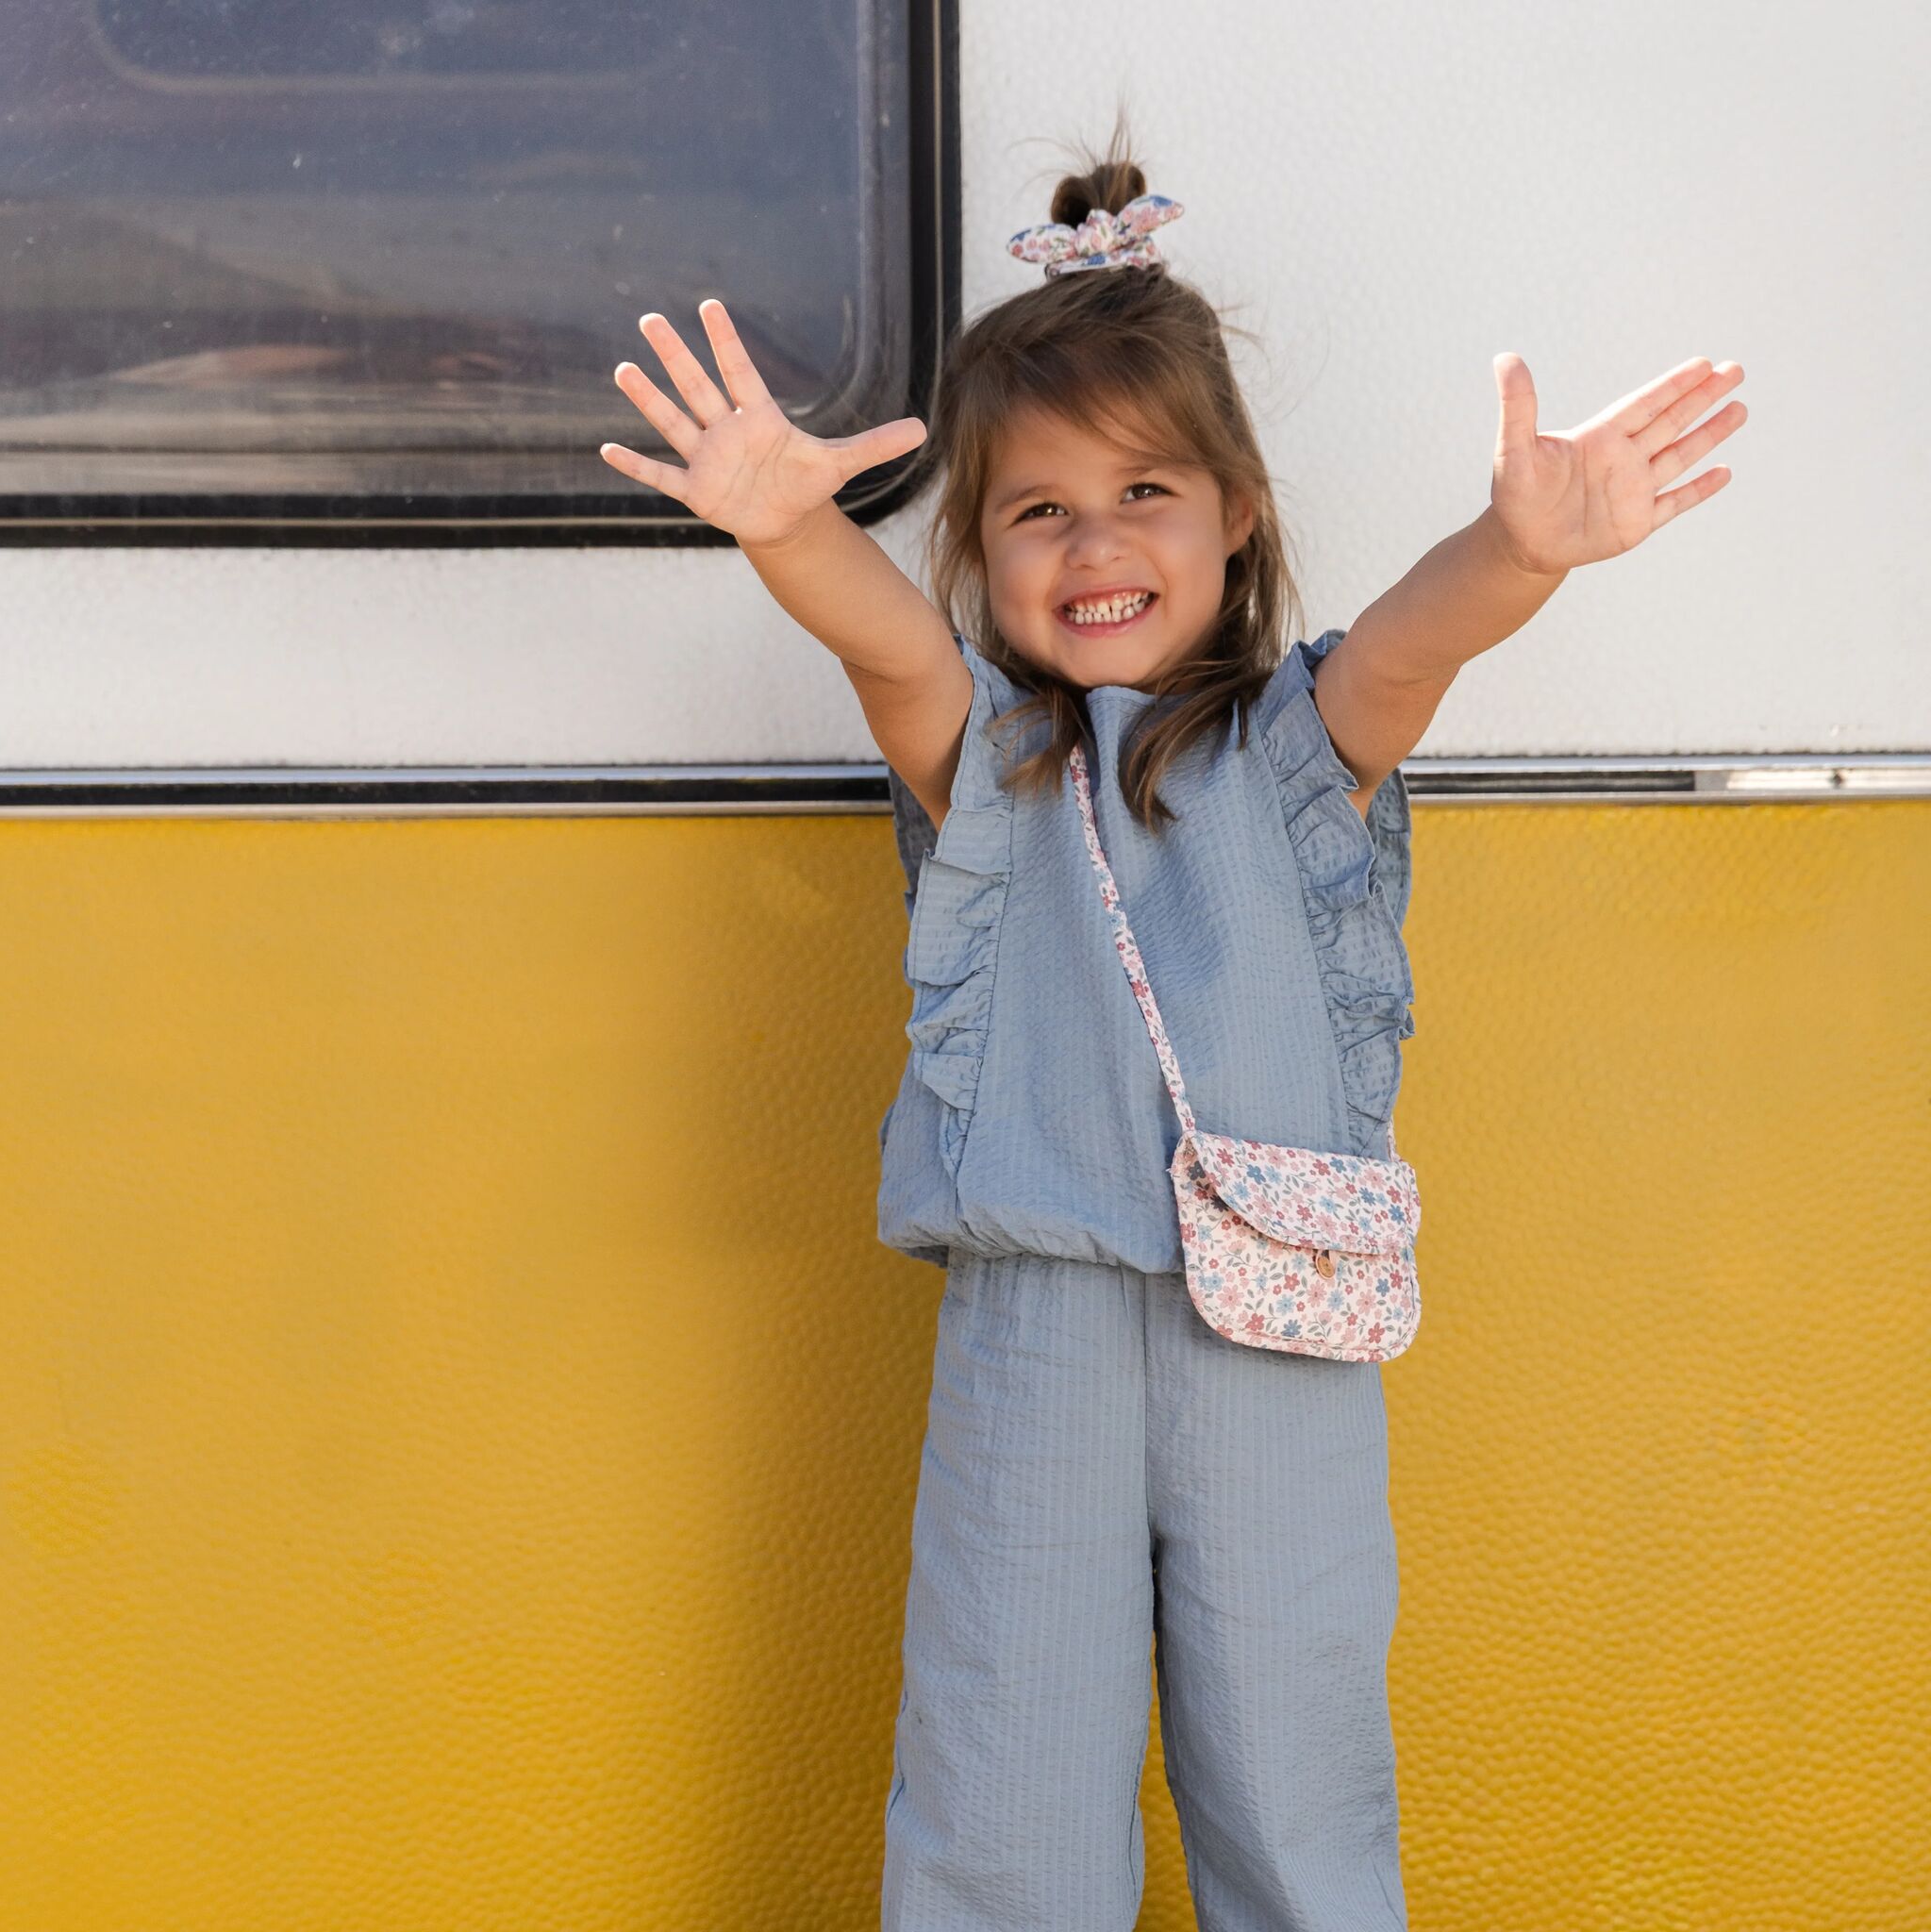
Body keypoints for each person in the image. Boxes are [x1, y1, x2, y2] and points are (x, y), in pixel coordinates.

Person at [599, 119, 1746, 1932]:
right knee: (1002, 1781)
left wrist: (1521, 549)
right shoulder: (987, 759)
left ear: (1241, 516)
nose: (1098, 543)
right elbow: (890, 651)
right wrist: (786, 523)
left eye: (1147, 493)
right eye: (1038, 510)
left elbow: (1415, 647)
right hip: (1037, 1327)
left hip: (1279, 1339)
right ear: (981, 550)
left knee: (1295, 1778)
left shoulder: (1299, 752)